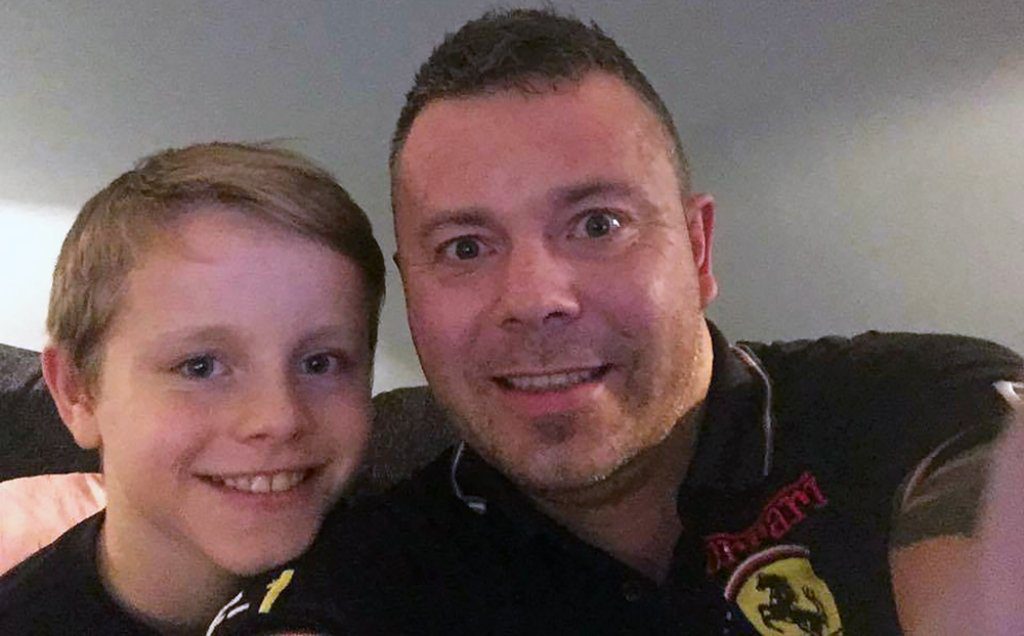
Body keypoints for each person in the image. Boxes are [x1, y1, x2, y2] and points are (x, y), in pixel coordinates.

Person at [210, 9, 1023, 635]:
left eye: (597, 225)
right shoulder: (378, 564)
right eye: (464, 247)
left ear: (697, 249)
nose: (534, 297)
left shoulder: (907, 409)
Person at [0, 142, 385, 634]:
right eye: (200, 367)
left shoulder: (429, 570)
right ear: (77, 392)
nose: (280, 417)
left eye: (320, 363)